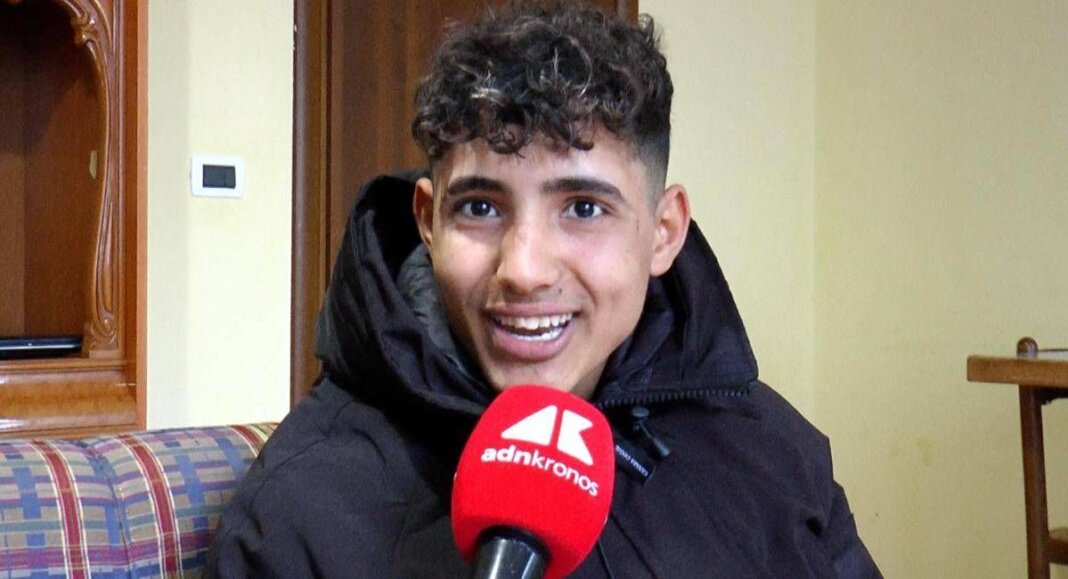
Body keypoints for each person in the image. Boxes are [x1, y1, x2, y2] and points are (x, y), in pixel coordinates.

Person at [207, 2, 880, 577]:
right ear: (428, 221)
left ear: (663, 232)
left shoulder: (774, 452)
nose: (523, 269)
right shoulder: (299, 510)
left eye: (584, 208)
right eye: (479, 208)